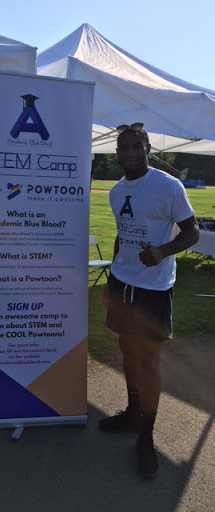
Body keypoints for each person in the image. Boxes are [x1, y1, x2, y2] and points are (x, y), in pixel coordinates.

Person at [100, 123, 199, 479]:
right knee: (127, 350)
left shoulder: (168, 186)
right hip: (122, 282)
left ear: (147, 148)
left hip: (153, 287)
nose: (128, 153)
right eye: (122, 148)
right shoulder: (115, 192)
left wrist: (162, 252)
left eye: (134, 147)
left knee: (149, 359)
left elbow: (192, 231)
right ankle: (132, 412)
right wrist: (111, 279)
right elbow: (122, 237)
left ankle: (147, 437)